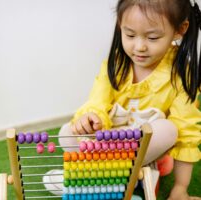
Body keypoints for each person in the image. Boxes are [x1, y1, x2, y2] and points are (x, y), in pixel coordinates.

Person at [43, 0, 201, 199]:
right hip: (109, 143)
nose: (140, 47)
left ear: (180, 30)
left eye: (152, 37)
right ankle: (117, 177)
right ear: (120, 25)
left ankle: (95, 179)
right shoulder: (115, 64)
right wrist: (91, 118)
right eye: (130, 35)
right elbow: (97, 102)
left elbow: (187, 134)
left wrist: (180, 189)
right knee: (66, 132)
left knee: (169, 130)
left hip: (145, 147)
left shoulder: (181, 75)